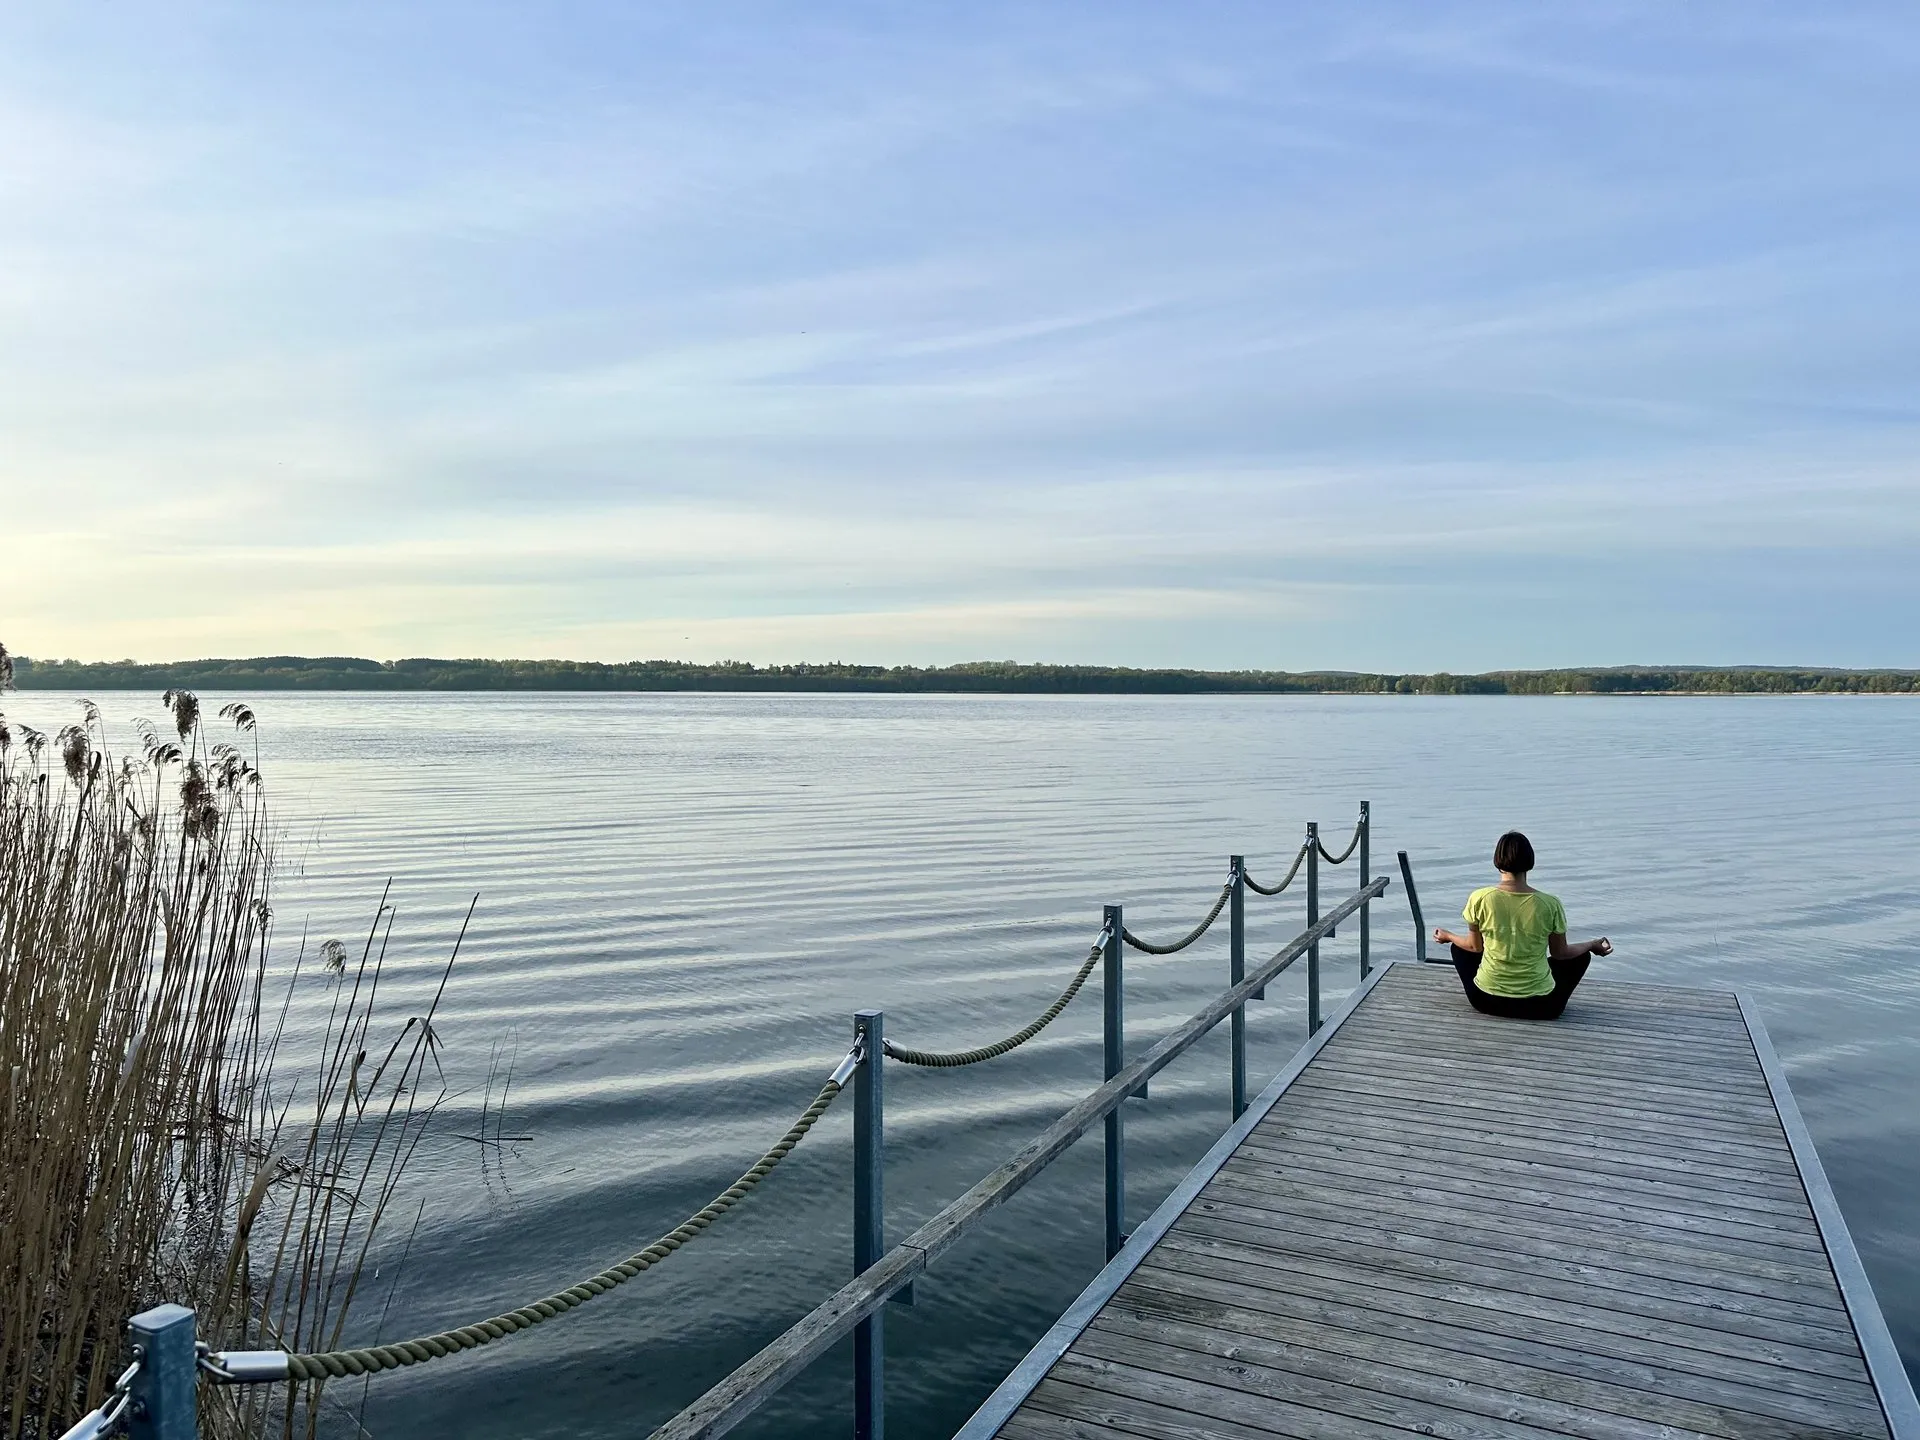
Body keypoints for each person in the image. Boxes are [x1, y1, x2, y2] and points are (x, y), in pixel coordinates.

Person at [1431, 830, 1611, 1020]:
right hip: (1542, 1006)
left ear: (1497, 861)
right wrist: (1591, 945)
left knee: (1460, 949)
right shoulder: (1550, 903)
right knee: (1580, 957)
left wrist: (1448, 936)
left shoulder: (1480, 898)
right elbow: (1561, 953)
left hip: (1485, 1000)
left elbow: (1474, 947)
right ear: (1530, 861)